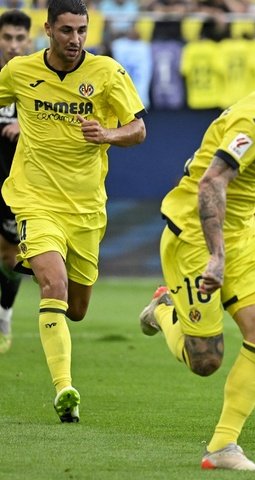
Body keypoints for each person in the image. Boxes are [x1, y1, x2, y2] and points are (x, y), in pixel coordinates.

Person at [138, 38, 255, 471]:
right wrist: (216, 255)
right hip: (195, 239)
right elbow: (212, 183)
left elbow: (252, 184)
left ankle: (223, 447)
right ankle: (164, 309)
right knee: (205, 361)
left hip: (241, 235)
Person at [0, 0, 146, 421]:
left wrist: (109, 133)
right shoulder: (20, 72)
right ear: (47, 29)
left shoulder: (106, 73)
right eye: (66, 30)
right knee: (54, 286)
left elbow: (138, 128)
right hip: (34, 198)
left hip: (85, 208)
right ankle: (65, 390)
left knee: (76, 309)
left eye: (81, 30)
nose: (75, 39)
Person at [0, 9, 32, 354]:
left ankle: (4, 315)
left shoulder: (39, 81)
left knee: (10, 258)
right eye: (7, 38)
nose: (13, 45)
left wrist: (30, 124)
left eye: (19, 38)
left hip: (17, 184)